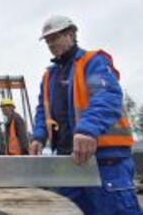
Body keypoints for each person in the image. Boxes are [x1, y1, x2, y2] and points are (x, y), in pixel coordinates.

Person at [30, 15, 142, 214]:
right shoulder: (49, 76)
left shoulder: (92, 62)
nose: (50, 43)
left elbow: (107, 95)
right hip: (68, 160)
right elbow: (42, 109)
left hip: (104, 159)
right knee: (69, 210)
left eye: (54, 37)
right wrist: (39, 135)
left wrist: (88, 129)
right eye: (47, 40)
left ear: (71, 34)